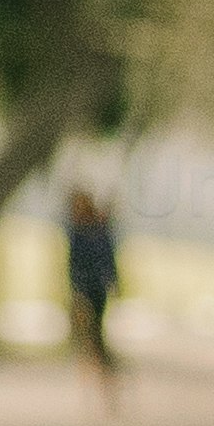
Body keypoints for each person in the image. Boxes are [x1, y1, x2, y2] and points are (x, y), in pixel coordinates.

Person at [60, 174, 128, 410]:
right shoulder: (80, 232)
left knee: (95, 337)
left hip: (94, 290)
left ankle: (105, 383)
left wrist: (113, 285)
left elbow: (106, 262)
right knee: (87, 339)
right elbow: (75, 264)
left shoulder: (95, 232)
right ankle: (96, 386)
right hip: (84, 290)